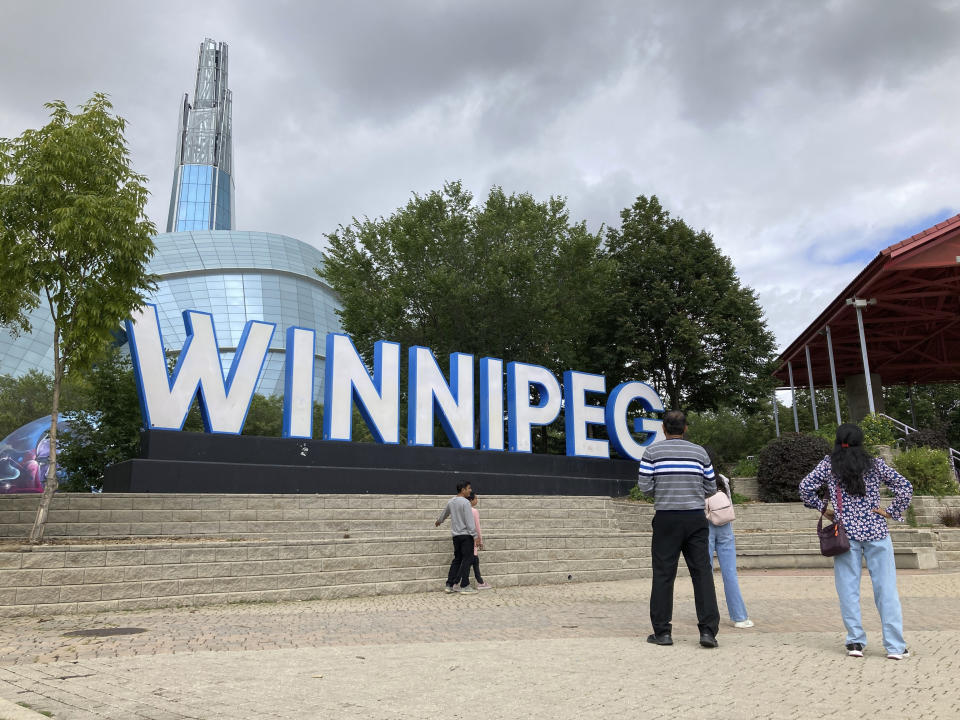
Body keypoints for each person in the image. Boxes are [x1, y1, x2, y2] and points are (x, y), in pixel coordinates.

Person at [799, 423, 913, 660]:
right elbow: (905, 486)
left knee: (848, 590)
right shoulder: (874, 464)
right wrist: (890, 512)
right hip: (877, 532)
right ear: (861, 442)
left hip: (845, 535)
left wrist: (825, 510)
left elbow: (805, 487)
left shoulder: (829, 465)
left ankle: (855, 642)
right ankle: (894, 646)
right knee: (886, 589)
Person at [638, 410, 721, 648]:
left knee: (664, 574)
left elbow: (644, 486)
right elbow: (711, 487)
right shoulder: (699, 452)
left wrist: (663, 493)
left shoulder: (652, 452)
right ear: (685, 429)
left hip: (666, 518)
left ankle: (662, 633)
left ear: (663, 429)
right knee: (702, 574)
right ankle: (708, 632)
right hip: (695, 518)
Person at [704, 447, 753, 629]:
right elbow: (730, 505)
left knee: (705, 576)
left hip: (705, 529)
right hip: (726, 529)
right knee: (730, 574)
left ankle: (708, 616)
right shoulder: (723, 480)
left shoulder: (697, 481)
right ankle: (739, 617)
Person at [435, 481, 479, 594]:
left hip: (456, 537)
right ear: (463, 489)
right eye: (469, 488)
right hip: (466, 536)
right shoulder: (465, 503)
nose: (470, 490)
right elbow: (469, 521)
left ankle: (449, 585)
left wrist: (439, 521)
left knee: (457, 560)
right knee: (467, 560)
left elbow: (444, 513)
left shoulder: (451, 502)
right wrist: (475, 536)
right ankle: (465, 586)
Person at [469, 492, 492, 590]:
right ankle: (456, 582)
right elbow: (477, 527)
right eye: (476, 498)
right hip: (472, 539)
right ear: (471, 500)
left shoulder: (464, 510)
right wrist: (480, 540)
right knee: (471, 560)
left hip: (463, 538)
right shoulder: (474, 511)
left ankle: (480, 581)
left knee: (474, 560)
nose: (477, 500)